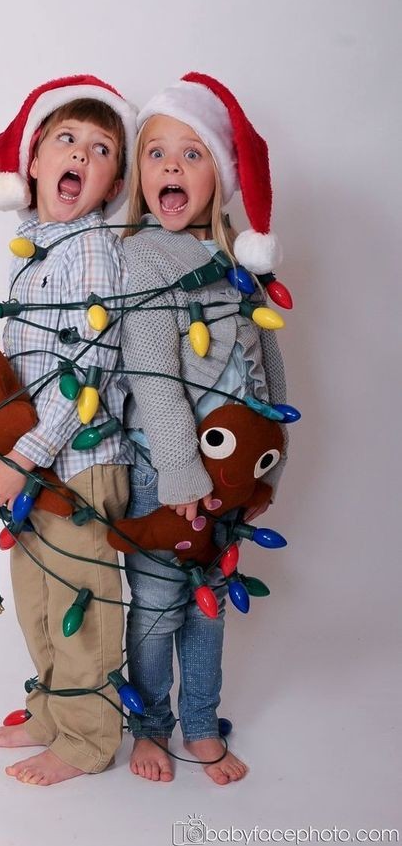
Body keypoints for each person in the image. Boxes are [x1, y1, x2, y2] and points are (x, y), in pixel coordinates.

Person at [119, 73, 288, 785]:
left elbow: (272, 379)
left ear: (217, 174)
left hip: (231, 475)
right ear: (141, 175)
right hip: (167, 473)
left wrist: (268, 472)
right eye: (157, 153)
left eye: (191, 154)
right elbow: (153, 373)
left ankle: (200, 722)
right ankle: (150, 727)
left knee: (210, 607)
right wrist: (181, 472)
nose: (171, 168)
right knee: (158, 603)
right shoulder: (142, 257)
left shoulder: (239, 266)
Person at [0, 75, 137, 786]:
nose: (80, 154)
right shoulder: (35, 250)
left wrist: (25, 453)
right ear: (34, 162)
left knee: (82, 603)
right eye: (66, 139)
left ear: (109, 183)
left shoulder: (93, 250)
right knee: (38, 593)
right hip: (35, 464)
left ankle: (89, 736)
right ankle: (51, 707)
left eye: (100, 149)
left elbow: (90, 372)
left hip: (81, 461)